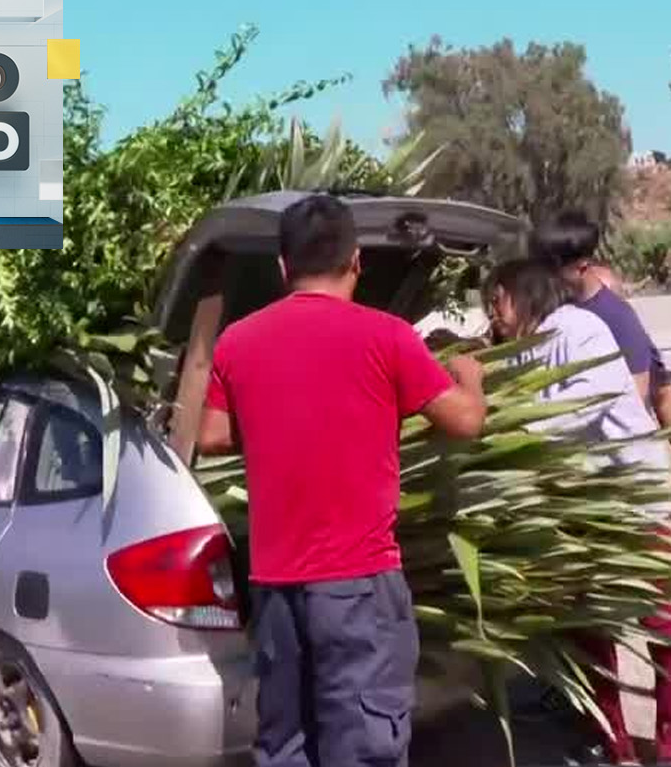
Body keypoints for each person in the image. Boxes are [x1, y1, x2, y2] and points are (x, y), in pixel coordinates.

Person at [197, 194, 488, 767]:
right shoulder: (386, 336)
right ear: (356, 261)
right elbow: (465, 422)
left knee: (286, 745)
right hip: (358, 587)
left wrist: (278, 418)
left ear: (283, 267)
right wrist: (469, 376)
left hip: (275, 588)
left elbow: (210, 435)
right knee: (361, 748)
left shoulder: (237, 341)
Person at [486, 256, 671, 766]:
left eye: (496, 301)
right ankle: (609, 740)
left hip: (630, 499)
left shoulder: (578, 329)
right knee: (585, 627)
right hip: (581, 505)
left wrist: (500, 438)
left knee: (666, 622)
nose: (492, 314)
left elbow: (575, 412)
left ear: (523, 293)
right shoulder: (523, 347)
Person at [532, 212, 671, 489]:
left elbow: (645, 393)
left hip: (620, 476)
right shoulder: (553, 313)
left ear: (582, 266)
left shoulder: (617, 319)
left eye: (552, 267)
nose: (544, 276)